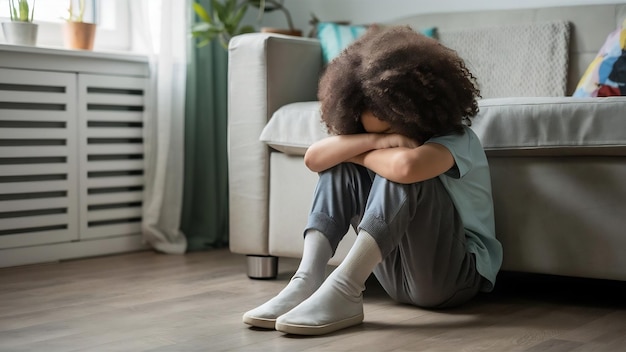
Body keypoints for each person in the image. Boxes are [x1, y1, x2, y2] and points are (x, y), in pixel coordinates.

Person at [242, 25, 503, 336]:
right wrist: (374, 144)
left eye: (390, 131)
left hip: (455, 276)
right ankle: (307, 281)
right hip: (398, 278)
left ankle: (345, 286)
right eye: (370, 132)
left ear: (416, 113)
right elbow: (315, 158)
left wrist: (363, 151)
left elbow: (406, 169)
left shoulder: (459, 139)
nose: (384, 139)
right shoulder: (377, 141)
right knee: (342, 167)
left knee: (403, 169)